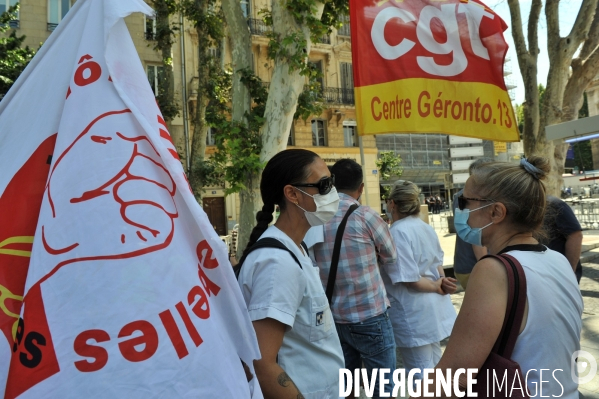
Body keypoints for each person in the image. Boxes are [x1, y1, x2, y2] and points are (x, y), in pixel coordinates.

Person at [431, 157, 583, 397]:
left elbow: (452, 377)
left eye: (465, 201)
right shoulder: (558, 260)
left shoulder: (494, 270)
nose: (460, 210)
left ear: (496, 212)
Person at [237, 149, 344, 399]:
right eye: (324, 184)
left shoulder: (296, 248)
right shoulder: (277, 264)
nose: (333, 193)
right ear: (293, 194)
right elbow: (263, 364)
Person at [312, 158, 397, 398]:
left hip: (333, 318)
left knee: (345, 386)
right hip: (370, 316)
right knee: (383, 387)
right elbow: (390, 257)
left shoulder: (314, 218)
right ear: (360, 188)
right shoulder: (366, 216)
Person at [382, 180, 457, 385]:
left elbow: (410, 279)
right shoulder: (424, 227)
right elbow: (438, 264)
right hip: (429, 309)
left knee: (421, 373)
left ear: (392, 203)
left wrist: (437, 285)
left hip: (414, 312)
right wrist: (440, 282)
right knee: (434, 367)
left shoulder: (397, 232)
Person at [451, 157, 493, 289]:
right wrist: (487, 270)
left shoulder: (461, 196)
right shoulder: (472, 198)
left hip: (467, 265)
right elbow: (477, 237)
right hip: (475, 266)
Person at [542, 196, 583, 283]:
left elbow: (576, 235)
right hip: (542, 274)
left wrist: (570, 272)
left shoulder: (554, 204)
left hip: (560, 273)